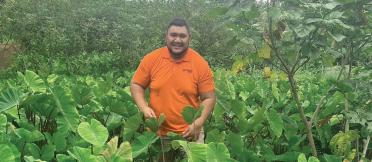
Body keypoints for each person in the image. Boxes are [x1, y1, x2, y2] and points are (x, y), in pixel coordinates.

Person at [130, 18, 216, 143]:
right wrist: (144, 108)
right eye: (173, 35)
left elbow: (209, 97)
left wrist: (198, 124)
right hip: (157, 132)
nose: (177, 40)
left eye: (182, 36)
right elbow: (136, 84)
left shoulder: (200, 63)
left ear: (189, 38)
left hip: (190, 132)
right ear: (166, 36)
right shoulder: (152, 59)